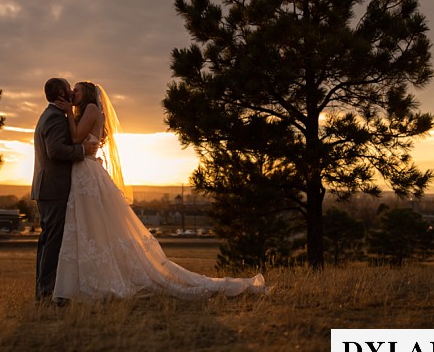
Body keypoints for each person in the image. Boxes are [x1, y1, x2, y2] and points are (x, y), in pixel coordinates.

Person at [52, 81, 267, 301]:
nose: (72, 93)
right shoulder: (86, 111)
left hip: (87, 172)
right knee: (89, 227)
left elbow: (77, 138)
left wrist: (68, 113)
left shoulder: (90, 109)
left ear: (87, 93)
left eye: (76, 89)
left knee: (92, 224)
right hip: (83, 171)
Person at [31, 77, 98, 304]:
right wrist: (82, 151)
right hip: (54, 188)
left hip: (48, 188)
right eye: (69, 88)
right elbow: (55, 150)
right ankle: (47, 293)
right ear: (61, 92)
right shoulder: (55, 117)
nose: (71, 91)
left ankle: (44, 292)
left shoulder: (49, 114)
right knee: (53, 242)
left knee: (48, 240)